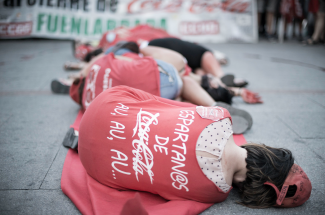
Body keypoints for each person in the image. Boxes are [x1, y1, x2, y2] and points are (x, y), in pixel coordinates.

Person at [77, 85, 311, 208]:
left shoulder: (221, 115)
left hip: (103, 107)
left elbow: (162, 105)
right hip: (97, 166)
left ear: (268, 152)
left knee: (159, 107)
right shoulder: (213, 193)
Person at [66, 42, 254, 134]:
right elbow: (138, 56)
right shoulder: (107, 60)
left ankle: (203, 106)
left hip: (158, 96)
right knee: (180, 75)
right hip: (166, 78)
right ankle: (213, 104)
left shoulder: (88, 104)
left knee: (179, 83)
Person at [143, 38, 245, 87]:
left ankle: (219, 81)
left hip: (153, 51)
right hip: (150, 48)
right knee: (201, 57)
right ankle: (220, 79)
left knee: (198, 72)